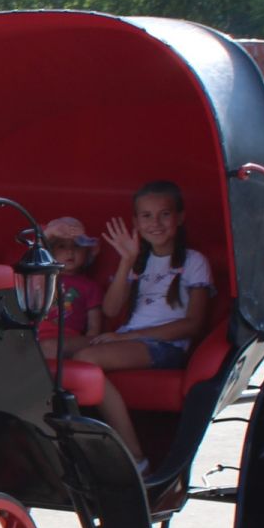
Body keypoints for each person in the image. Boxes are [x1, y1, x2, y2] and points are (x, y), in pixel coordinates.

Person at [70, 181, 213, 469]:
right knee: (47, 349)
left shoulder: (194, 262)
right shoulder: (138, 261)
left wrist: (127, 337)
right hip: (126, 339)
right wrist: (127, 261)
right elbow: (111, 308)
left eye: (164, 214)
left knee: (85, 359)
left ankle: (135, 456)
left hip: (166, 347)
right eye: (146, 216)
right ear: (136, 221)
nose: (155, 223)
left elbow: (192, 325)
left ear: (180, 217)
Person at [37, 216, 104, 360]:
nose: (70, 252)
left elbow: (94, 330)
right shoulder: (44, 277)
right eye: (62, 246)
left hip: (69, 339)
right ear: (50, 251)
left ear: (87, 252)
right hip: (36, 335)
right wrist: (48, 234)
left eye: (77, 246)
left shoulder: (90, 286)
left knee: (48, 347)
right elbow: (36, 258)